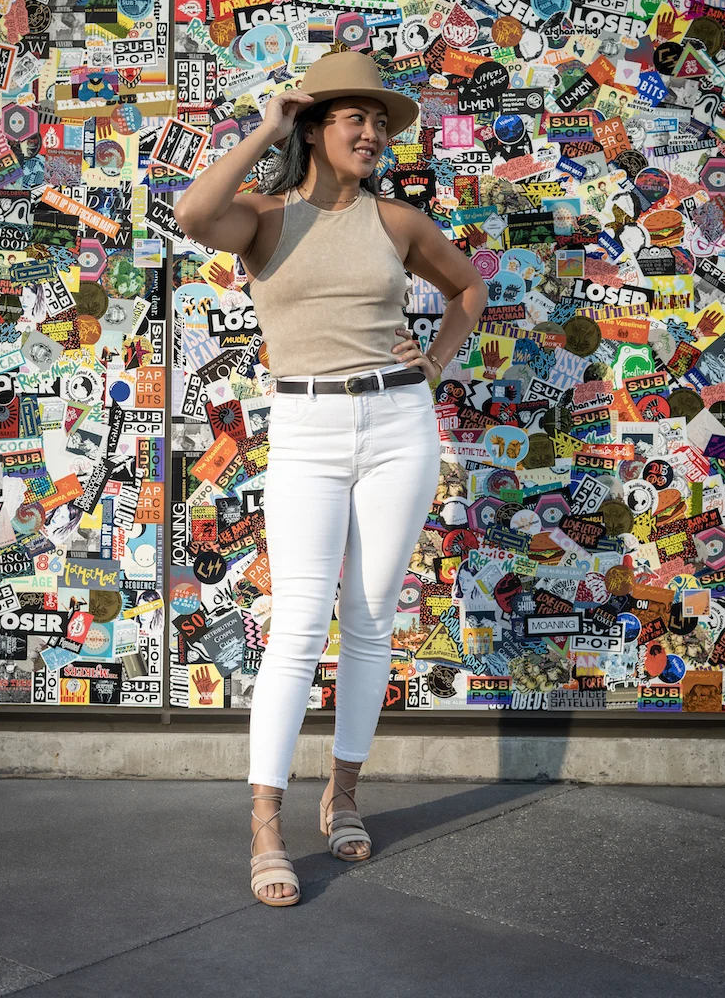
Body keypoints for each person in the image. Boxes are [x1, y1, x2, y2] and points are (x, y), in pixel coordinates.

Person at [173, 51, 487, 909]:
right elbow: (193, 213)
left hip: (396, 425)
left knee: (373, 619)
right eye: (356, 118)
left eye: (381, 123)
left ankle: (343, 795)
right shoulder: (265, 220)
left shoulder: (396, 221)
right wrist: (266, 126)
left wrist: (434, 363)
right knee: (299, 625)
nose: (374, 132)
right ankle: (266, 822)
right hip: (307, 427)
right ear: (315, 127)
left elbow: (469, 290)